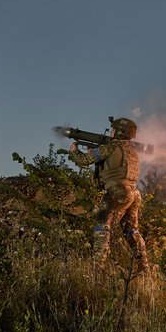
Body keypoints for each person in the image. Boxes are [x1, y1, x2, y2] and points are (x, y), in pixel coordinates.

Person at [68, 117, 149, 275]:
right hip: (133, 193)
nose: (111, 132)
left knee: (102, 227)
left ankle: (97, 269)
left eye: (113, 129)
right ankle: (144, 269)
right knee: (131, 231)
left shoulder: (110, 148)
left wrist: (73, 151)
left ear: (118, 131)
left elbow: (84, 161)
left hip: (117, 192)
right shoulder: (132, 151)